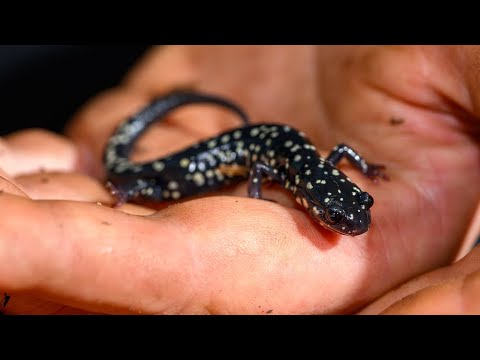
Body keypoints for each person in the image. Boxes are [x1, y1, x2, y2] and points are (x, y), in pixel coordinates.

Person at [0, 45, 479, 315]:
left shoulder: (314, 172)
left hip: (249, 141)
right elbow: (264, 168)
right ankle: (128, 180)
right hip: (182, 164)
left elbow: (337, 155)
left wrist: (368, 169)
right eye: (338, 214)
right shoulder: (299, 172)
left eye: (357, 206)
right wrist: (255, 196)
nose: (351, 222)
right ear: (313, 198)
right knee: (154, 178)